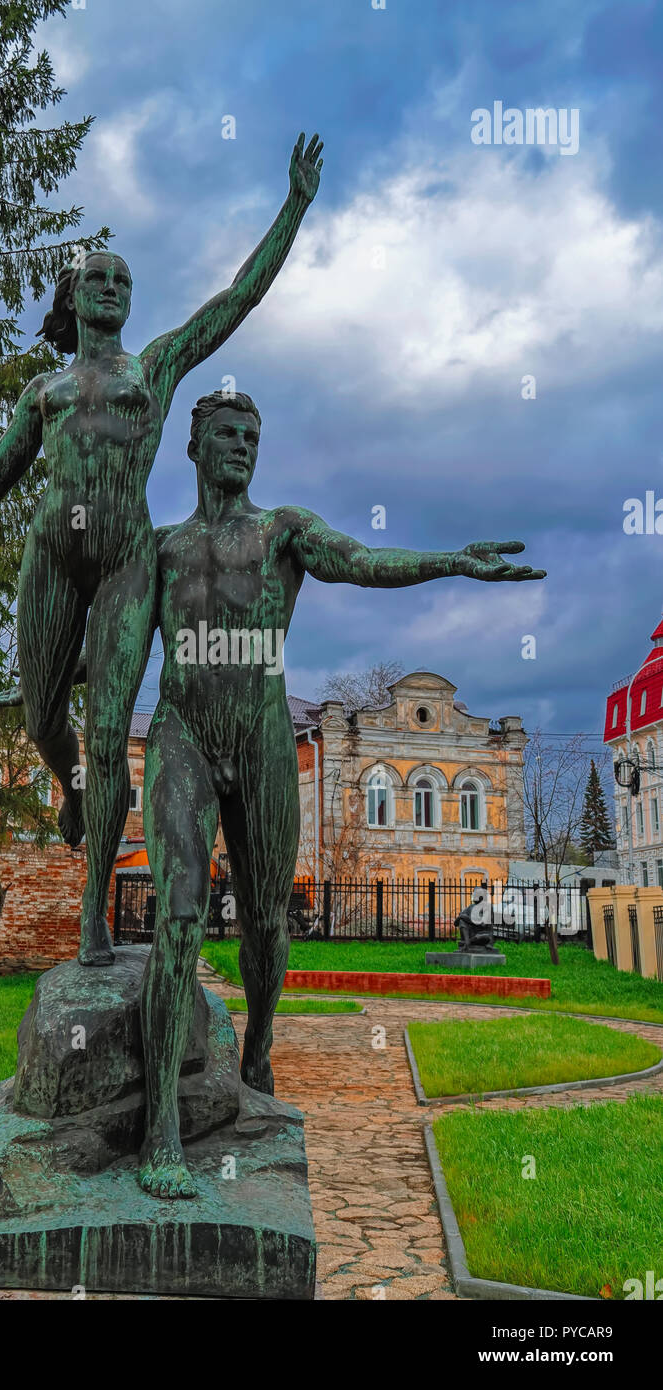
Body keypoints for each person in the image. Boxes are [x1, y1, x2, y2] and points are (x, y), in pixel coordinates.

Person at [0, 134, 324, 965]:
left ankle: (94, 912)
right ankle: (72, 786)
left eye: (123, 280)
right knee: (43, 720)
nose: (111, 287)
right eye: (97, 279)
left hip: (125, 566)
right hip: (51, 558)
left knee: (110, 738)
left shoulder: (159, 367)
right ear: (74, 301)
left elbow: (236, 300)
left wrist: (294, 205)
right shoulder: (45, 392)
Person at [138, 389, 545, 1197]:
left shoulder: (281, 530)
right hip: (182, 729)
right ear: (193, 446)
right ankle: (160, 1130)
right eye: (227, 434)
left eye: (254, 435)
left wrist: (450, 561)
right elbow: (114, 649)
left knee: (264, 920)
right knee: (180, 908)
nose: (243, 446)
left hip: (260, 736)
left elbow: (361, 561)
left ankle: (257, 1048)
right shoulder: (163, 548)